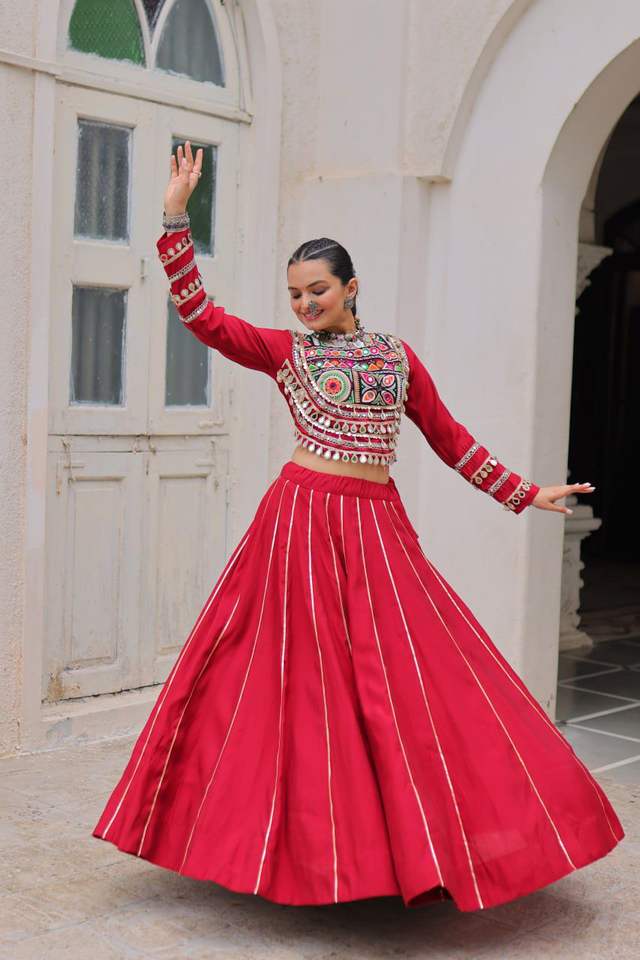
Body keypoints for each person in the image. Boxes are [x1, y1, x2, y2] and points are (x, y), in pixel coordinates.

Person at [92, 141, 624, 913]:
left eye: (318, 290)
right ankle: (305, 855)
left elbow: (449, 439)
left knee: (402, 679)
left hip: (375, 528)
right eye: (294, 294)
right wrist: (177, 214)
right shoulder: (285, 353)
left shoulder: (396, 359)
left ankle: (410, 847)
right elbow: (201, 317)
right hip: (300, 523)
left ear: (351, 287)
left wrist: (524, 492)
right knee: (297, 687)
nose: (305, 304)